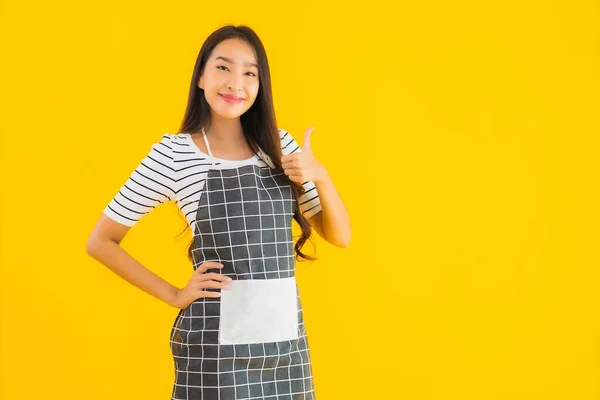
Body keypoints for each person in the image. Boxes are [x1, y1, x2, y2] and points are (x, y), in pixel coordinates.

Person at [86, 24, 351, 400]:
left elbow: (340, 236)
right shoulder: (174, 154)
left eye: (249, 73)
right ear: (201, 77)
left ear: (260, 86)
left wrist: (321, 176)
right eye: (223, 68)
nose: (235, 84)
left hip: (285, 348)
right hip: (213, 349)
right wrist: (175, 294)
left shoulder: (280, 146)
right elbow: (100, 242)